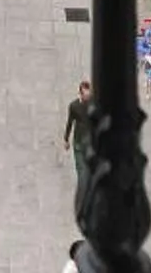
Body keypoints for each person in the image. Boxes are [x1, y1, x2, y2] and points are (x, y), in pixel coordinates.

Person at [62, 79, 93, 210]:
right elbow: (70, 122)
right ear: (80, 94)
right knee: (82, 175)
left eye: (89, 95)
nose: (88, 98)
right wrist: (66, 139)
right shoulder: (74, 106)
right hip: (79, 144)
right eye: (86, 96)